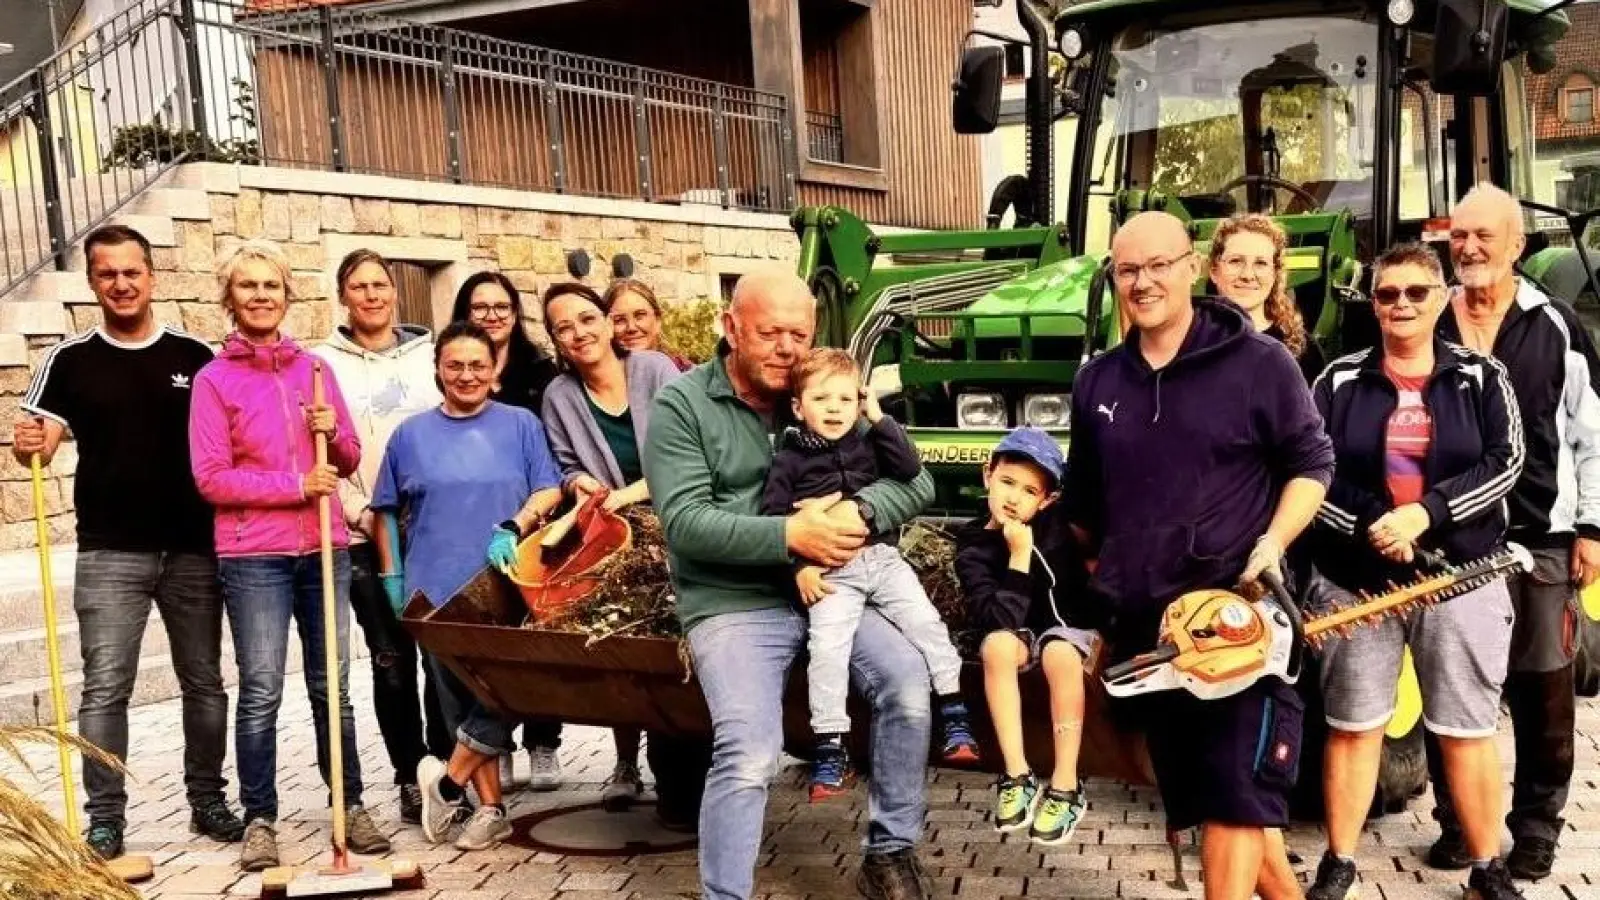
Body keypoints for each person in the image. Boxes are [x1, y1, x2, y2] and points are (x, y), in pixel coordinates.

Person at [643, 267, 939, 900]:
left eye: (798, 333)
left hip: (837, 587)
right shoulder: (682, 405)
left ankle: (890, 851)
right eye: (768, 332)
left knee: (908, 685)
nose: (786, 348)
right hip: (736, 600)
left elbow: (916, 482)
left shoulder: (818, 393)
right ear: (730, 329)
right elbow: (687, 524)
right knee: (750, 752)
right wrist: (788, 537)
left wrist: (860, 513)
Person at [1064, 212, 1335, 900]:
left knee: (1236, 801)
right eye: (1128, 270)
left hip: (1237, 621)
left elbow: (1312, 462)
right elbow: (1085, 509)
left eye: (1159, 265)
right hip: (1151, 634)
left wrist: (1271, 543)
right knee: (1219, 800)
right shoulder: (1097, 383)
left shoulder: (1258, 363)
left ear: (1191, 267)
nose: (1144, 282)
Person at [12, 225, 244, 861]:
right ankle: (105, 818)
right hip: (110, 550)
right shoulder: (70, 360)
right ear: (92, 281)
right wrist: (28, 443)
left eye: (131, 272)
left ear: (151, 276)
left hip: (195, 546)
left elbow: (234, 429)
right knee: (105, 688)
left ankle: (207, 800)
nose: (121, 284)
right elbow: (40, 437)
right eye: (107, 274)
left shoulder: (196, 356)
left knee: (203, 681)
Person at [1304, 243, 1525, 900]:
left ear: (1442, 297)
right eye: (1386, 294)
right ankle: (1339, 862)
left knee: (1466, 728)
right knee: (1355, 725)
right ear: (1372, 304)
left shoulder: (1482, 376)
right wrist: (1378, 524)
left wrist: (1424, 516)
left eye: (1415, 292)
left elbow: (1505, 461)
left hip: (1460, 574)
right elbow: (1315, 470)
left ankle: (1490, 868)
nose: (1400, 304)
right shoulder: (1337, 380)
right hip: (1357, 580)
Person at [188, 240, 390, 871]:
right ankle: (260, 816)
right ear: (231, 299)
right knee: (262, 689)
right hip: (254, 557)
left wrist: (334, 434)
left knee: (334, 686)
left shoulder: (316, 371)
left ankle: (349, 804)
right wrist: (293, 487)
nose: (260, 296)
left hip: (323, 546)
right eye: (247, 286)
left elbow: (349, 458)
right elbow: (211, 478)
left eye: (270, 285)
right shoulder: (214, 380)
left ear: (286, 294)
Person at [1427, 182, 1600, 881]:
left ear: (1517, 246)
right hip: (1452, 537)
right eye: (1458, 236)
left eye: (1482, 237)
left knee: (1541, 687)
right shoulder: (1428, 318)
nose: (1467, 248)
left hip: (1540, 534)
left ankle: (1534, 828)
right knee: (1451, 684)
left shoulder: (1553, 323)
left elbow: (1591, 431)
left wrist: (1591, 525)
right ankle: (1458, 825)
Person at [374, 321, 565, 852]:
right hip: (434, 590)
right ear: (438, 370)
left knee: (510, 691)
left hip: (506, 583)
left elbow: (548, 490)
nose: (467, 374)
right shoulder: (409, 435)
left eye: (478, 365)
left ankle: (447, 782)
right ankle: (490, 809)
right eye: (455, 365)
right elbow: (384, 512)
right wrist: (392, 578)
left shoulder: (521, 425)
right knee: (456, 701)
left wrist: (516, 525)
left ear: (496, 372)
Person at [758, 347, 976, 801]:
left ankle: (955, 716)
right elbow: (775, 517)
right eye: (822, 399)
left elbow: (910, 470)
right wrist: (799, 567)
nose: (835, 409)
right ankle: (830, 748)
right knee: (828, 651)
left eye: (845, 399)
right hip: (831, 571)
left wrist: (878, 417)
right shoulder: (789, 459)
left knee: (927, 625)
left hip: (880, 559)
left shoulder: (868, 439)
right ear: (799, 407)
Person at [537, 281, 709, 826]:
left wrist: (634, 495)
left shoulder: (657, 370)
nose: (579, 333)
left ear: (608, 323)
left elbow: (691, 447)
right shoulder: (559, 396)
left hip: (679, 519)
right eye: (563, 327)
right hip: (615, 535)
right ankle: (632, 765)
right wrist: (581, 482)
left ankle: (694, 771)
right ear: (556, 341)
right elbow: (564, 464)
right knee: (623, 646)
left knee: (680, 645)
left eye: (587, 319)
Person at [312, 249, 442, 826]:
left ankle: (447, 769)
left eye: (380, 284)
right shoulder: (321, 364)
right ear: (343, 296)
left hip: (433, 530)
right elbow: (315, 449)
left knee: (442, 658)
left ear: (395, 292)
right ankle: (409, 773)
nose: (371, 295)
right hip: (363, 530)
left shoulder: (431, 354)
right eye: (358, 286)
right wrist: (356, 510)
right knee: (391, 660)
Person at [448, 271, 564, 789]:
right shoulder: (459, 367)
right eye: (480, 307)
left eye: (502, 306)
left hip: (540, 513)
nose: (492, 316)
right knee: (488, 646)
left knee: (536, 635)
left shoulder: (540, 373)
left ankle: (544, 741)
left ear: (516, 315)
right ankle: (498, 747)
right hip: (479, 517)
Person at [955, 427, 1094, 845]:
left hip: (1068, 629)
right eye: (1007, 482)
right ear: (988, 475)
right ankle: (1016, 775)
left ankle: (1066, 785)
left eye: (1030, 491)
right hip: (1014, 632)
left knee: (1060, 655)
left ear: (1047, 499)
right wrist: (1017, 557)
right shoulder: (972, 544)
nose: (1014, 498)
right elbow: (996, 619)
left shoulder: (1058, 523)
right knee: (996, 645)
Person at [1208, 213, 1326, 382]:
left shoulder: (1302, 350)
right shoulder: (1189, 343)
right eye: (1235, 261)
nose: (1248, 275)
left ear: (1275, 274)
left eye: (1261, 263)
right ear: (1214, 270)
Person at [603, 278, 694, 371]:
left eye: (639, 316)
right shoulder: (596, 381)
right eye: (619, 320)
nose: (631, 327)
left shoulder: (688, 376)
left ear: (657, 320)